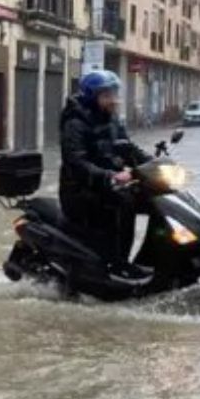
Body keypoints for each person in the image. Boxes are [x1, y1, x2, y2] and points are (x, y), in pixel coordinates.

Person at [59, 70, 153, 276]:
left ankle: (155, 258)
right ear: (92, 96)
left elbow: (128, 148)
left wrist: (154, 163)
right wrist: (109, 176)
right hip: (80, 190)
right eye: (106, 95)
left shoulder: (112, 119)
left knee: (152, 198)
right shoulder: (75, 123)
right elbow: (76, 162)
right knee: (125, 202)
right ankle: (119, 263)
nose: (113, 100)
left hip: (108, 185)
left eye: (114, 94)